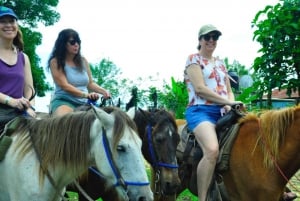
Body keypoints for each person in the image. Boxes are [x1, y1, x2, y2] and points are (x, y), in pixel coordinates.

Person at [184, 24, 243, 201]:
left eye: (215, 37)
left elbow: (228, 89)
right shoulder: (193, 59)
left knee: (258, 134)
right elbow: (200, 89)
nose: (211, 40)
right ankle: (203, 198)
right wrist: (227, 102)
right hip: (200, 111)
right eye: (207, 37)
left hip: (223, 110)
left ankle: (281, 189)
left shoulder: (220, 63)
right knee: (211, 150)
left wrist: (230, 103)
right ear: (200, 40)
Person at [47, 28, 111, 117]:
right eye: (72, 42)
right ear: (63, 44)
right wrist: (86, 95)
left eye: (78, 42)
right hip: (64, 101)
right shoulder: (55, 62)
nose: (76, 45)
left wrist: (104, 91)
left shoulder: (83, 60)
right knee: (66, 121)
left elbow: (90, 84)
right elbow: (65, 86)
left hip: (85, 103)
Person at [0, 6, 36, 133]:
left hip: (18, 110)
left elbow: (29, 88)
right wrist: (11, 101)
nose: (8, 25)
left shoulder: (23, 57)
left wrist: (30, 107)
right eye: (3, 21)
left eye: (12, 21)